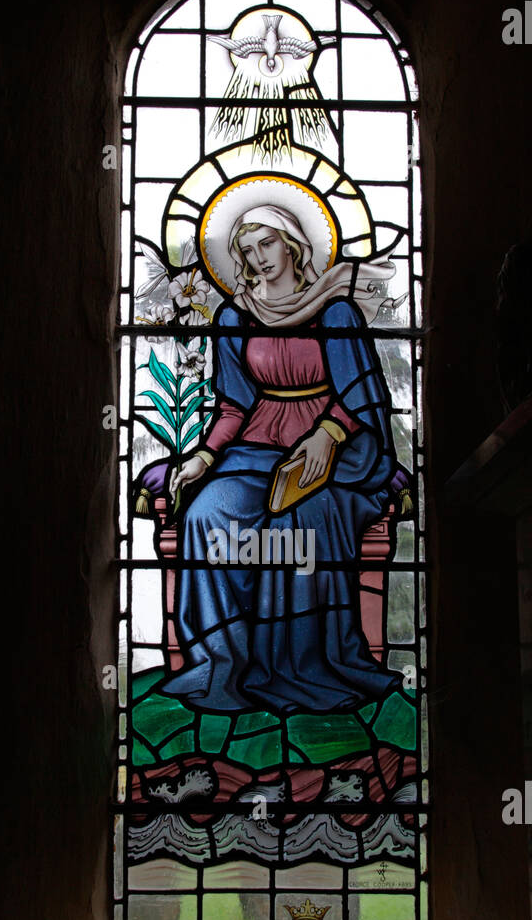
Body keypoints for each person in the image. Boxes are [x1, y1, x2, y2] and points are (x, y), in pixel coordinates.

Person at [160, 204, 409, 715]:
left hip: (338, 446)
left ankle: (303, 666)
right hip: (257, 446)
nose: (259, 259)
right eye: (247, 251)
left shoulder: (333, 311)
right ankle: (221, 662)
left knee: (302, 518)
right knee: (206, 512)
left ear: (292, 243)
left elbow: (360, 393)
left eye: (267, 244)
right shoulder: (235, 315)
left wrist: (328, 434)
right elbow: (234, 405)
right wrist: (205, 458)